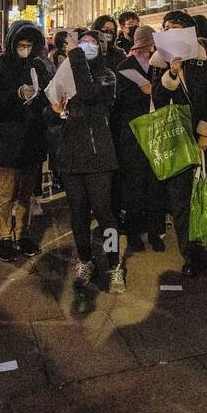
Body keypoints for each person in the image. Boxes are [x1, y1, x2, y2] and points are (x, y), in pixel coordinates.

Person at [153, 14, 207, 279]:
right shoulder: (159, 62)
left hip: (206, 143)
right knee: (182, 201)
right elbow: (158, 97)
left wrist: (206, 133)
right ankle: (191, 254)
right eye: (166, 29)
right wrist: (172, 74)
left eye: (176, 28)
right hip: (177, 141)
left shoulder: (203, 57)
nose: (170, 32)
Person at [48, 31, 126, 291]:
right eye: (83, 43)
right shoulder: (67, 73)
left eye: (93, 43)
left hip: (98, 155)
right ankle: (85, 260)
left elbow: (88, 92)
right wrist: (57, 112)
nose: (87, 47)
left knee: (105, 213)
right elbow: (53, 107)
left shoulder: (107, 75)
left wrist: (75, 55)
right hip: (72, 155)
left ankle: (115, 265)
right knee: (78, 213)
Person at [0, 20, 54, 261]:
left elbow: (48, 95)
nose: (25, 48)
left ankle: (22, 234)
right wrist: (16, 94)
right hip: (8, 138)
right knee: (6, 192)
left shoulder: (38, 65)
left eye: (29, 45)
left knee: (26, 194)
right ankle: (3, 237)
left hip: (32, 138)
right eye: (21, 44)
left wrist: (45, 99)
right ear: (12, 43)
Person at [113, 26, 169, 251]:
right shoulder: (125, 67)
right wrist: (142, 92)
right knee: (134, 185)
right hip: (134, 133)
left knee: (156, 184)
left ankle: (155, 232)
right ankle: (135, 233)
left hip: (156, 130)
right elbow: (121, 101)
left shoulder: (159, 65)